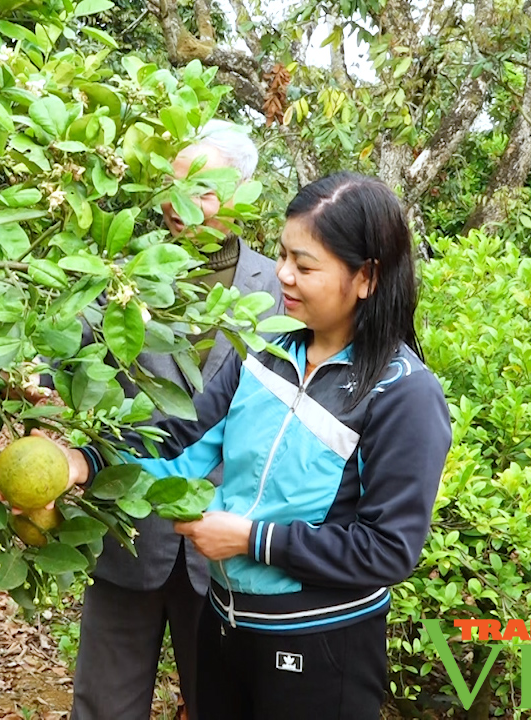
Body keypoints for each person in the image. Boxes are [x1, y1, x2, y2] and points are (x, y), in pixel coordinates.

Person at [56, 173, 453, 719]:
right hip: (226, 626)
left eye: (306, 265)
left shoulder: (402, 392)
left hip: (320, 646)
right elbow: (181, 439)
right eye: (283, 255)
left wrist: (252, 540)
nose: (283, 276)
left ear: (366, 277)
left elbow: (387, 550)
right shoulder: (265, 353)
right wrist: (83, 462)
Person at [68, 120, 282, 720]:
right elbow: (66, 355)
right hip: (127, 532)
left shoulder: (281, 288)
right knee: (104, 707)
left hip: (228, 549)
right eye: (171, 184)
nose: (177, 203)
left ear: (240, 194)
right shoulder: (121, 277)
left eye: (203, 189)